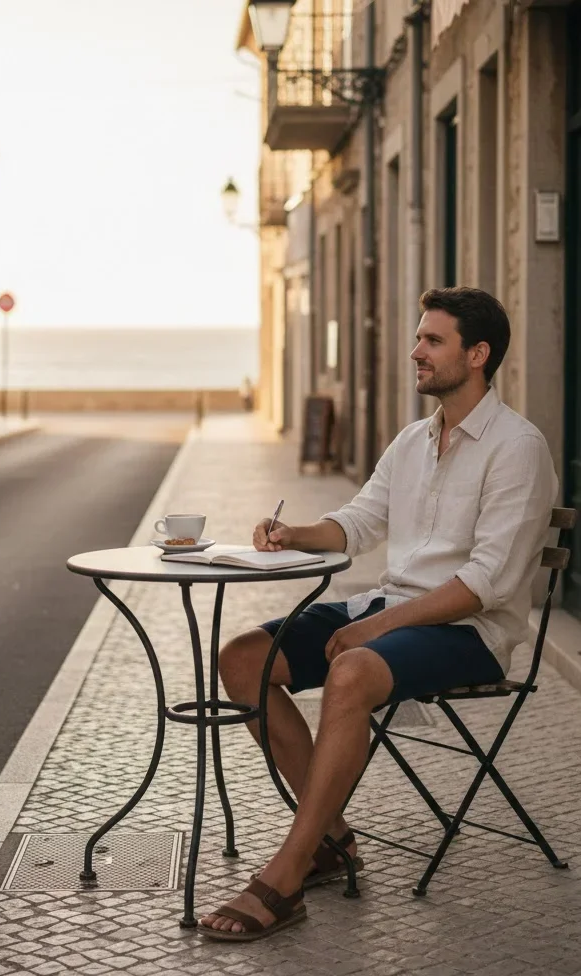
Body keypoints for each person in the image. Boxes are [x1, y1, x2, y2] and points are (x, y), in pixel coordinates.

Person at [198, 286, 558, 942]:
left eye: (432, 340)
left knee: (354, 669)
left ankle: (287, 874)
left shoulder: (518, 448)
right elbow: (362, 520)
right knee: (244, 659)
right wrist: (294, 533)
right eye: (419, 337)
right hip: (393, 610)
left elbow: (488, 583)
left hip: (469, 631)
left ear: (477, 355)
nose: (415, 351)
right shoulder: (414, 439)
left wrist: (378, 625)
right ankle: (332, 838)